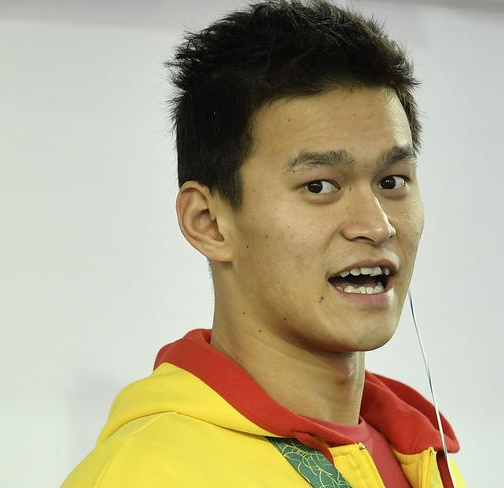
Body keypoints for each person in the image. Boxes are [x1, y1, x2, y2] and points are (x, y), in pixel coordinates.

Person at [61, 1, 467, 486]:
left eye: (392, 181)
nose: (377, 226)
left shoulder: (415, 454)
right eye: (320, 186)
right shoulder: (147, 472)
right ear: (208, 221)